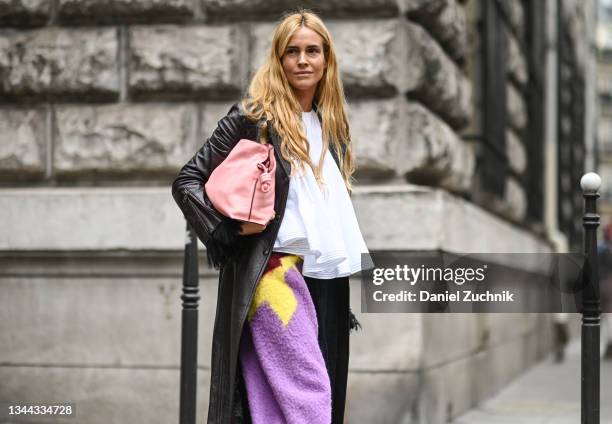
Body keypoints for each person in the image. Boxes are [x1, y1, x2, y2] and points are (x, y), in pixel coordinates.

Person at [171, 9, 372, 423]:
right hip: (272, 274)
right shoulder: (254, 119)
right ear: (278, 59)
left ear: (326, 59)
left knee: (299, 400)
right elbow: (187, 180)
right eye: (292, 51)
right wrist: (226, 233)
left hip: (324, 282)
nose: (303, 60)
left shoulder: (333, 128)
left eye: (312, 51)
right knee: (309, 399)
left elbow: (326, 217)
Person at [598, 223, 612, 360]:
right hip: (607, 284)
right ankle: (607, 345)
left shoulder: (600, 248)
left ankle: (604, 345)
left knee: (603, 317)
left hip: (602, 284)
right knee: (607, 317)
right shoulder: (605, 250)